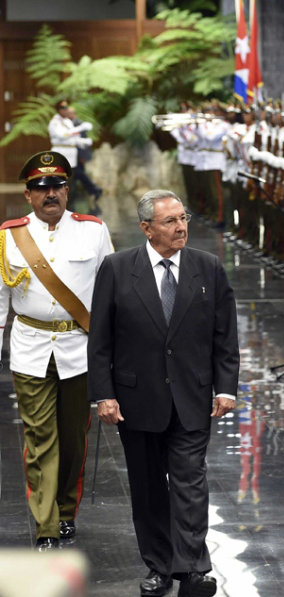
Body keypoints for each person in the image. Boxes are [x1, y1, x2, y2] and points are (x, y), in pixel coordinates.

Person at [88, 189, 239, 597]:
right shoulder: (118, 269)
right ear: (146, 228)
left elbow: (225, 336)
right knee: (148, 487)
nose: (181, 226)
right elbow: (100, 339)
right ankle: (158, 566)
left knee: (191, 483)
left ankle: (191, 568)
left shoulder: (208, 268)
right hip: (137, 401)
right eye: (170, 221)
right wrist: (103, 393)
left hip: (192, 397)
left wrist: (227, 388)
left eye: (183, 217)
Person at [0, 151, 113, 551]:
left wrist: (114, 351)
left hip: (79, 350)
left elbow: (111, 292)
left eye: (59, 186)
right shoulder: (9, 235)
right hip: (30, 348)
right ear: (28, 195)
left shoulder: (93, 231)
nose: (52, 194)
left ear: (68, 191)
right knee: (40, 437)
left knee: (73, 438)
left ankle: (66, 510)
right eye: (42, 187)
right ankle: (46, 524)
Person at [66, 105, 103, 215]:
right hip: (71, 156)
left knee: (78, 174)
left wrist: (83, 157)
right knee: (76, 176)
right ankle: (92, 190)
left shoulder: (79, 124)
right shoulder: (68, 125)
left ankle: (94, 190)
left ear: (74, 114)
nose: (69, 115)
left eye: (70, 113)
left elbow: (83, 142)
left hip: (78, 156)